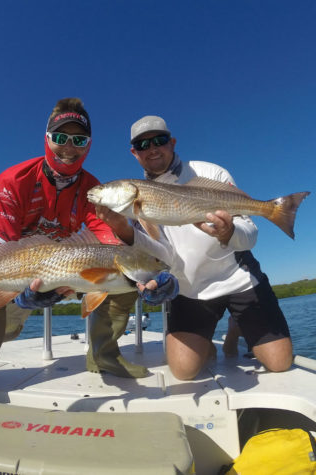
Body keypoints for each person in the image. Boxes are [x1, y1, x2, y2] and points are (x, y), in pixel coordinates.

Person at [0, 99, 175, 441]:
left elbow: (110, 243)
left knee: (118, 279)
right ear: (46, 138)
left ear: (89, 146)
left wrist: (148, 274)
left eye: (79, 140)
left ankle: (103, 356)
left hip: (63, 269)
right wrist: (22, 294)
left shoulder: (94, 192)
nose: (68, 147)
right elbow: (5, 250)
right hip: (15, 268)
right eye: (60, 137)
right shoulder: (12, 181)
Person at [94, 115, 293, 380]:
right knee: (183, 372)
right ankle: (209, 336)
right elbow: (161, 253)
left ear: (172, 142)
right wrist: (124, 230)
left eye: (159, 140)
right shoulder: (134, 208)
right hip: (191, 290)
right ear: (134, 153)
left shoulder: (210, 172)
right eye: (143, 145)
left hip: (239, 280)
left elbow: (250, 235)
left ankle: (235, 327)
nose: (152, 148)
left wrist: (229, 231)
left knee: (280, 363)